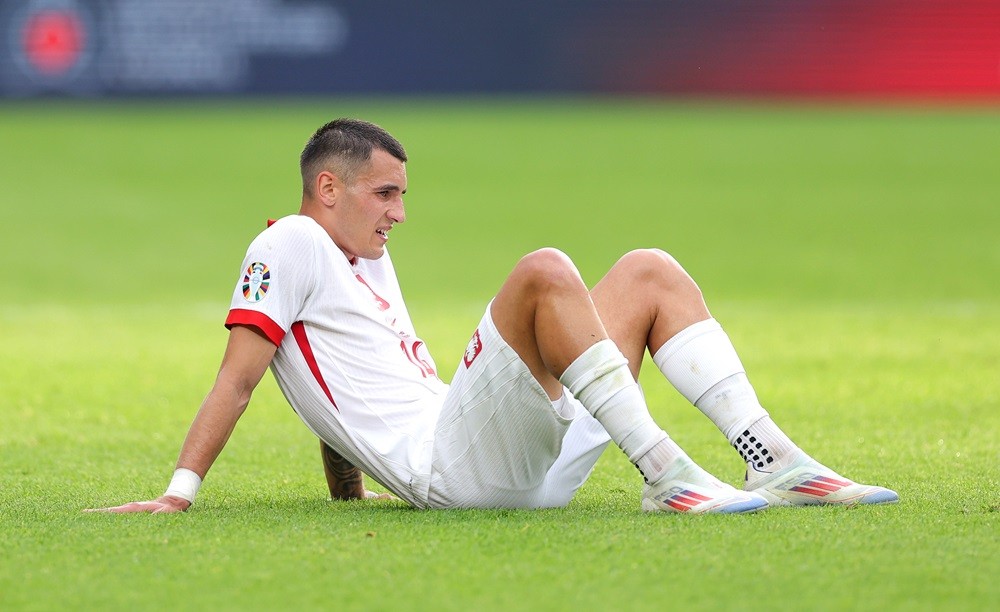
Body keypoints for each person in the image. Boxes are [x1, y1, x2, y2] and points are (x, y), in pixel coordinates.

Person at [89, 118, 898, 515]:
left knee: (648, 271)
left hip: (502, 461)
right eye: (387, 192)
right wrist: (178, 494)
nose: (400, 212)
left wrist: (348, 490)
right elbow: (241, 377)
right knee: (544, 272)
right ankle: (666, 475)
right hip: (457, 470)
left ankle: (773, 461)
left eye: (402, 193)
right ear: (327, 189)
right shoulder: (294, 241)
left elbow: (331, 373)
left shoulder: (358, 253)